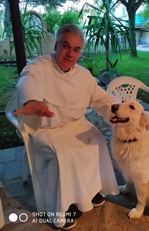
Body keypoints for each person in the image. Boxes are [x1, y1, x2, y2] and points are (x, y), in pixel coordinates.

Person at [14, 24, 120, 230]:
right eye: (65, 46)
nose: (70, 54)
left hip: (76, 125)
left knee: (97, 140)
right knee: (68, 154)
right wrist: (31, 101)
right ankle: (63, 207)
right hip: (47, 129)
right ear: (56, 45)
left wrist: (115, 109)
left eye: (76, 49)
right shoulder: (40, 66)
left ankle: (90, 191)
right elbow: (27, 79)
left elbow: (101, 98)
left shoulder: (83, 75)